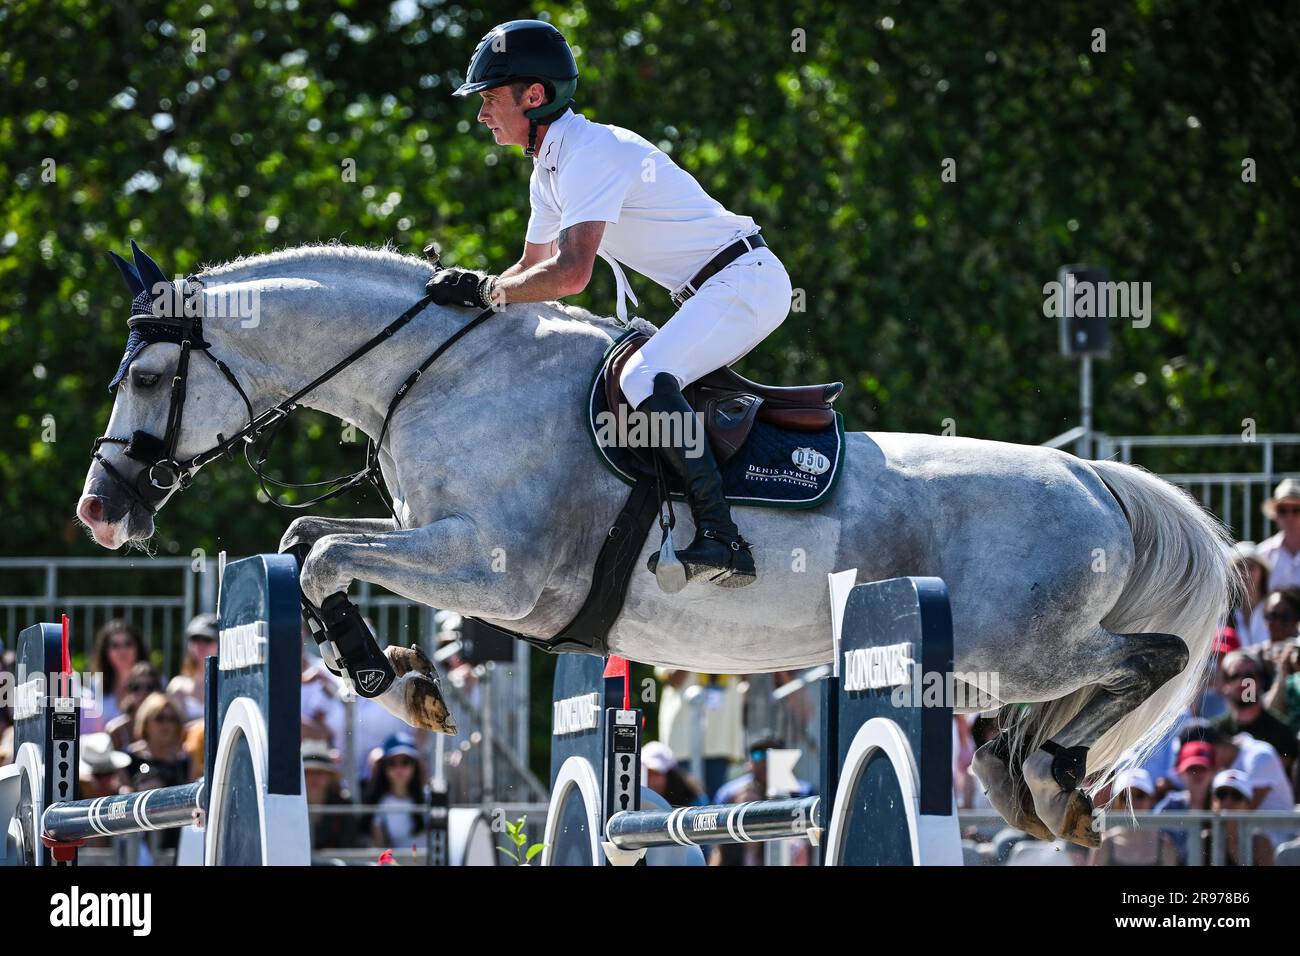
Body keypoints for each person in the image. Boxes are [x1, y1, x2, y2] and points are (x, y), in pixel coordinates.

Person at [431, 19, 792, 587]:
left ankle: (724, 537)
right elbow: (528, 270)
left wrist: (484, 293)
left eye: (491, 98)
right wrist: (468, 303)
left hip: (744, 282)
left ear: (535, 95)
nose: (481, 113)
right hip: (715, 288)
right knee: (633, 374)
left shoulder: (590, 153)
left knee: (643, 378)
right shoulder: (548, 168)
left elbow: (571, 275)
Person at [1089, 769, 1179, 866]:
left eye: (1140, 796)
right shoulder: (1104, 844)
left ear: (1151, 800)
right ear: (1116, 802)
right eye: (1126, 797)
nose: (1132, 804)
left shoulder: (1165, 845)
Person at [361, 734, 426, 853]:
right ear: (384, 768)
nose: (399, 769)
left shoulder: (429, 799)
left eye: (405, 762)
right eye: (392, 763)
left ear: (415, 766)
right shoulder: (380, 804)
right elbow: (379, 847)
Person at [87, 619, 148, 733]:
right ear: (105, 651)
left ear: (138, 647)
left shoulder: (153, 681)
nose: (122, 650)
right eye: (115, 645)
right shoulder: (95, 684)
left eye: (128, 644)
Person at [1211, 769, 1275, 866]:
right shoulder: (1204, 840)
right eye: (1221, 795)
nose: (1227, 802)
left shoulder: (1260, 842)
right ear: (1213, 803)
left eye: (1236, 796)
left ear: (1248, 805)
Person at [167, 613, 219, 722]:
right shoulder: (177, 685)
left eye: (207, 639)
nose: (200, 645)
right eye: (195, 639)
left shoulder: (227, 685)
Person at [1258, 479, 1300, 591]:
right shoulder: (1263, 554)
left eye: (1296, 510)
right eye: (1283, 510)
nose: (1289, 516)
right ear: (1275, 514)